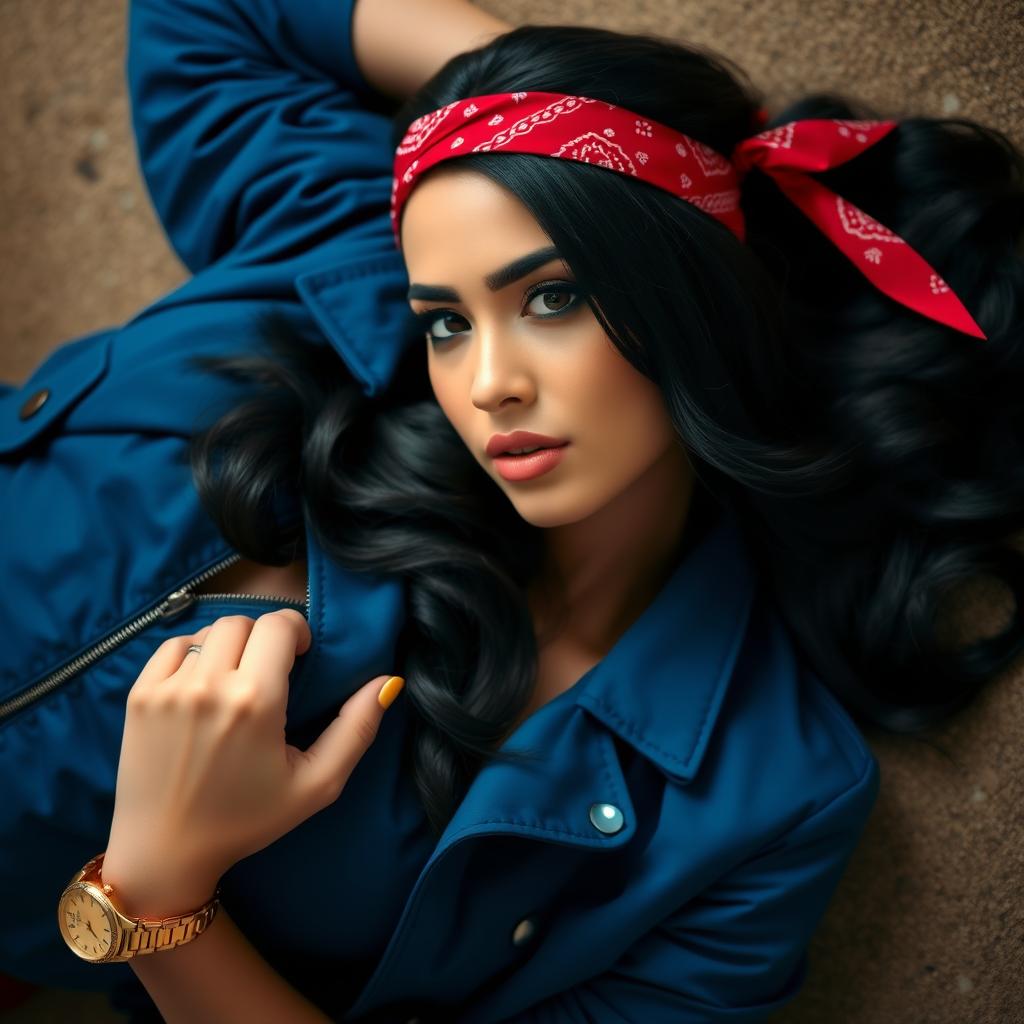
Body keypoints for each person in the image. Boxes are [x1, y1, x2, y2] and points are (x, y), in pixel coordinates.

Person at [3, 1, 1022, 1022]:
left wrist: (158, 893)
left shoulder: (763, 804)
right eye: (445, 320)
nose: (487, 383)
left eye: (550, 298)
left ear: (696, 283)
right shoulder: (336, 232)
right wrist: (539, 115)